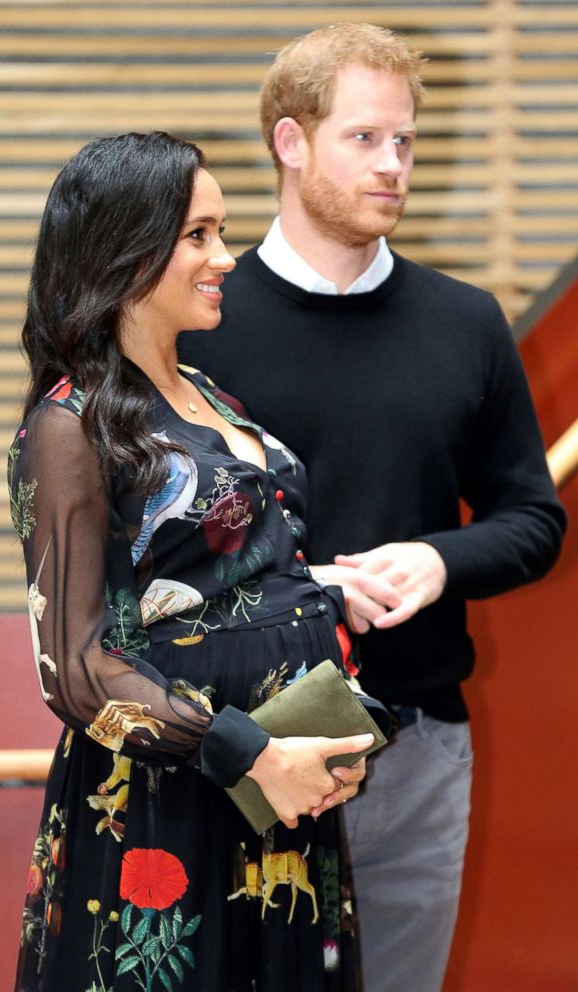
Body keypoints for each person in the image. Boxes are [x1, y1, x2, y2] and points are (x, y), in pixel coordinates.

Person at [178, 23, 567, 992]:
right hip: (244, 740)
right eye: (363, 139)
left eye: (405, 141)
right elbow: (134, 549)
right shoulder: (196, 323)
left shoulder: (466, 322)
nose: (393, 164)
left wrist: (440, 560)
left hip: (419, 741)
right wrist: (297, 585)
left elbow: (531, 519)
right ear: (289, 141)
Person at [8, 130, 396, 992]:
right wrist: (251, 754)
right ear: (123, 250)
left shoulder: (209, 394)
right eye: (198, 236)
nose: (226, 256)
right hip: (171, 802)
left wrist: (322, 591)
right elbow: (73, 671)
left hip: (282, 795)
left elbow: (209, 577)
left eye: (221, 230)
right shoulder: (71, 426)